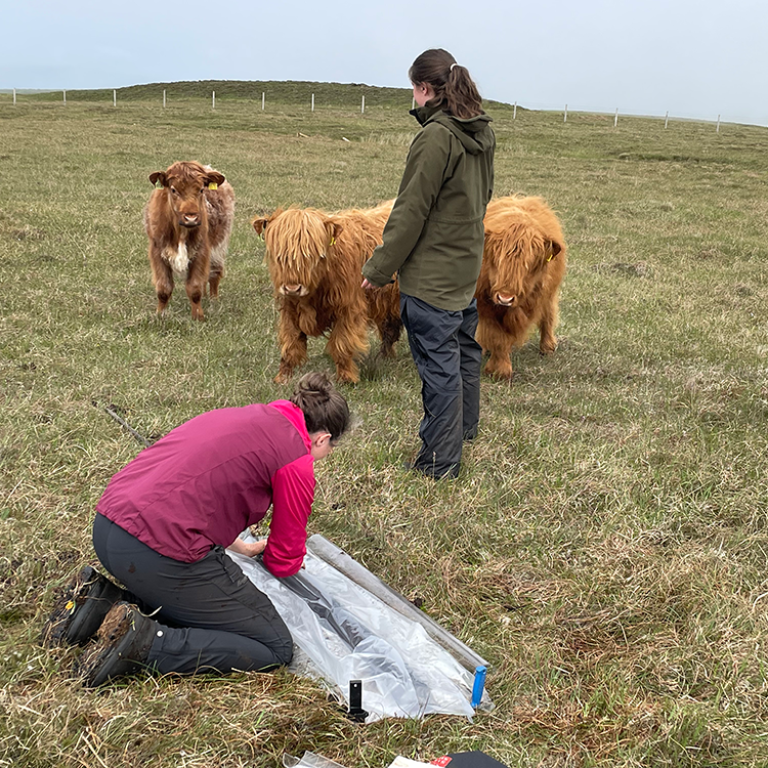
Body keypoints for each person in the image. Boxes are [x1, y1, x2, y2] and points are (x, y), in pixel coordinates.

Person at [42, 372, 350, 686]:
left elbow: (205, 487)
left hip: (110, 526)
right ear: (322, 438)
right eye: (331, 448)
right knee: (274, 645)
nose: (326, 455)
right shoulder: (295, 460)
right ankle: (146, 645)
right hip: (156, 552)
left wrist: (238, 546)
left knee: (194, 603)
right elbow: (283, 562)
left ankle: (97, 605)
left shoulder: (249, 416)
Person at [362, 48, 495, 479]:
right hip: (464, 268)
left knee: (439, 365)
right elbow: (482, 198)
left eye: (413, 90)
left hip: (432, 279)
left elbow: (410, 211)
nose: (413, 100)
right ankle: (465, 429)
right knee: (464, 353)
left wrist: (378, 269)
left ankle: (439, 461)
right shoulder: (479, 131)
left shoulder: (436, 136)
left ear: (424, 89)